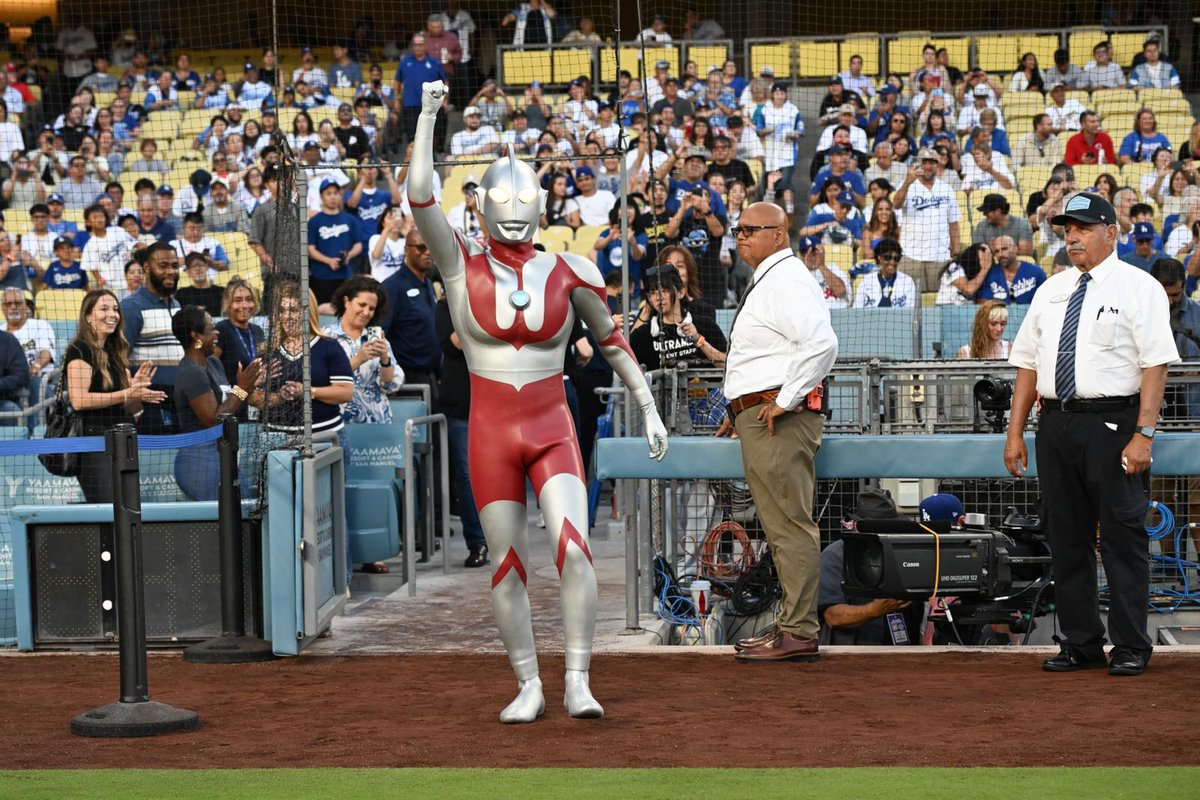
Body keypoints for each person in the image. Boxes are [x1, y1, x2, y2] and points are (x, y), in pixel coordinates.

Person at [409, 80, 667, 722]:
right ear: (482, 205)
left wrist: (649, 405)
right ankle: (528, 682)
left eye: (526, 197)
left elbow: (612, 343)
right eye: (502, 198)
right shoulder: (458, 262)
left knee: (575, 548)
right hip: (492, 429)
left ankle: (578, 677)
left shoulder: (571, 269)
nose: (516, 209)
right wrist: (427, 117)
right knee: (506, 562)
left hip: (552, 425)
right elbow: (418, 196)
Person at [1004, 192, 1179, 677]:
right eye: (1066, 230)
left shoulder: (1138, 286)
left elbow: (1155, 365)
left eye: (1081, 228)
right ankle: (1080, 642)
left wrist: (1144, 432)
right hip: (1055, 423)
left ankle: (1129, 646)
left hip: (1114, 423)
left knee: (1123, 538)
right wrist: (1016, 432)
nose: (1072, 238)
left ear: (1110, 233)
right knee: (1065, 538)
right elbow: (1025, 363)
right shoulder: (1052, 288)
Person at [719, 201, 838, 663]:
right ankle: (792, 625)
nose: (741, 235)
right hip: (762, 413)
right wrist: (741, 403)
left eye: (751, 229)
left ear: (779, 234)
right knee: (780, 523)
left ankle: (799, 631)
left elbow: (822, 344)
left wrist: (784, 399)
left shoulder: (787, 278)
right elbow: (769, 353)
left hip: (780, 418)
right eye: (739, 228)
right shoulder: (773, 277)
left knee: (788, 525)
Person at [65, 289, 165, 501]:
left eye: (115, 309)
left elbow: (132, 410)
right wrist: (126, 392)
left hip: (123, 439)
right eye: (104, 309)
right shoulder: (79, 350)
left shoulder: (116, 352)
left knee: (128, 510)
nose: (112, 314)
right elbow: (79, 400)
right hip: (94, 443)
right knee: (107, 510)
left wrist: (136, 392)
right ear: (88, 316)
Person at [170, 305, 262, 500]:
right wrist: (241, 388)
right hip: (198, 459)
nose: (217, 331)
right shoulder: (191, 372)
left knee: (241, 510)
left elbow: (230, 407)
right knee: (225, 519)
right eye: (211, 328)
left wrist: (249, 386)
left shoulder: (213, 362)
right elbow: (214, 420)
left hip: (221, 453)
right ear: (196, 336)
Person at [259, 282, 353, 444]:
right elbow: (252, 397)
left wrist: (307, 391)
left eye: (294, 310)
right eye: (282, 311)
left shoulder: (329, 347)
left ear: (308, 312)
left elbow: (346, 393)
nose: (287, 316)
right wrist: (277, 396)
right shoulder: (267, 350)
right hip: (276, 440)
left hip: (324, 437)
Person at [435, 296, 490, 568]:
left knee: (500, 471)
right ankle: (477, 541)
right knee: (467, 474)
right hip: (461, 403)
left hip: (497, 399)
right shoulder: (448, 305)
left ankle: (504, 537)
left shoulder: (497, 300)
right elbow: (453, 343)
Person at [121, 242, 183, 433]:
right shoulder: (131, 306)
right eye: (163, 266)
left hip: (178, 399)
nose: (170, 271)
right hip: (150, 404)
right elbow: (120, 360)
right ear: (146, 268)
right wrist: (135, 405)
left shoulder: (177, 304)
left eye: (174, 266)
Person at [381, 226, 441, 398]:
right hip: (406, 380)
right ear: (406, 250)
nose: (428, 252)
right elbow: (379, 332)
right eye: (421, 247)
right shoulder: (392, 287)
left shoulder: (427, 282)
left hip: (431, 376)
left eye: (431, 247)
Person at [629, 266, 726, 371]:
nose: (658, 297)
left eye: (665, 290)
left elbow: (727, 365)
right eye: (653, 292)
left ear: (681, 292)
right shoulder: (641, 336)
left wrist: (699, 340)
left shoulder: (705, 324)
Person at [894, 148, 961, 291]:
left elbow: (953, 222)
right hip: (911, 254)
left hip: (940, 255)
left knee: (938, 299)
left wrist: (955, 251)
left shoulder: (946, 189)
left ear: (938, 165)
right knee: (910, 299)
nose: (928, 166)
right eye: (925, 162)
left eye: (932, 163)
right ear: (918, 164)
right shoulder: (907, 185)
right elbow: (896, 204)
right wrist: (907, 182)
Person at [307, 178, 366, 308]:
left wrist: (348, 256)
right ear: (321, 196)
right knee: (322, 311)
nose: (333, 197)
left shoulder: (350, 219)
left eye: (336, 193)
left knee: (345, 310)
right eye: (328, 193)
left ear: (340, 195)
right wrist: (328, 261)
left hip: (345, 275)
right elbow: (311, 249)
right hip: (322, 276)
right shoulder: (314, 221)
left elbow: (358, 245)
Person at [214, 280, 266, 390]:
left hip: (258, 393)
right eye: (238, 300)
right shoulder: (221, 329)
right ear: (228, 304)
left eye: (249, 299)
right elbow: (210, 367)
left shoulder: (258, 331)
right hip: (233, 397)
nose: (244, 305)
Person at [853, 238, 917, 308]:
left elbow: (912, 311)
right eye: (887, 257)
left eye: (896, 258)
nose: (892, 262)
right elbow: (856, 309)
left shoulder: (907, 281)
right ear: (879, 258)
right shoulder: (867, 281)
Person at [798, 237, 850, 310]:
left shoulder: (834, 269)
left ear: (821, 251)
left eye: (813, 251)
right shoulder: (798, 274)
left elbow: (840, 291)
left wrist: (821, 266)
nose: (808, 255)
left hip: (837, 314)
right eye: (804, 252)